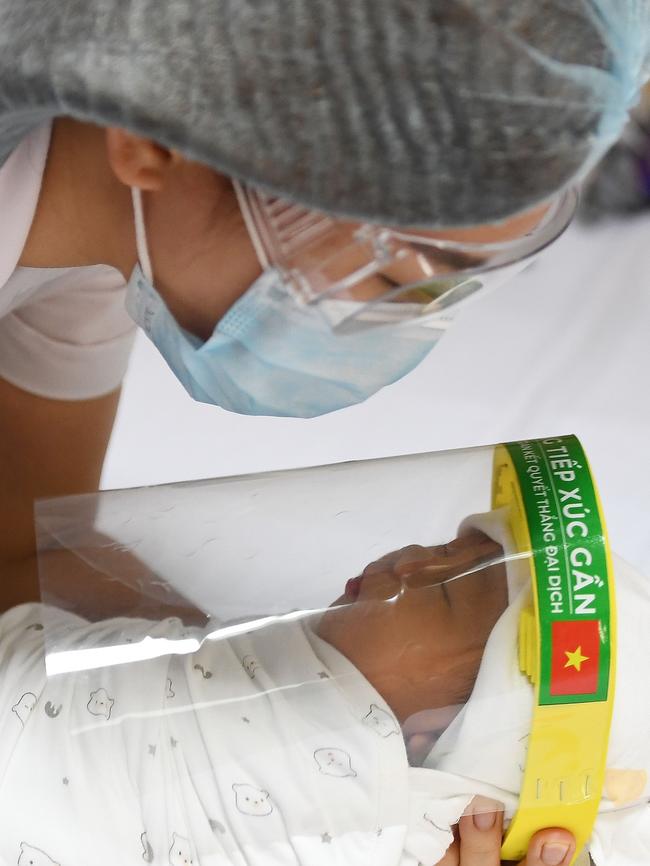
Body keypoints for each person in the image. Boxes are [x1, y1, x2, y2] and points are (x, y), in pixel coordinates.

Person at [2, 2, 649, 863]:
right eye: (389, 273)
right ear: (160, 142)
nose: (406, 328)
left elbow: (16, 553)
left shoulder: (77, 266)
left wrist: (279, 751)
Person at [0, 525, 580, 866]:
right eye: (444, 546)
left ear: (446, 727)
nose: (410, 562)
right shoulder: (265, 655)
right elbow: (43, 559)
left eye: (446, 592)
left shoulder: (379, 825)